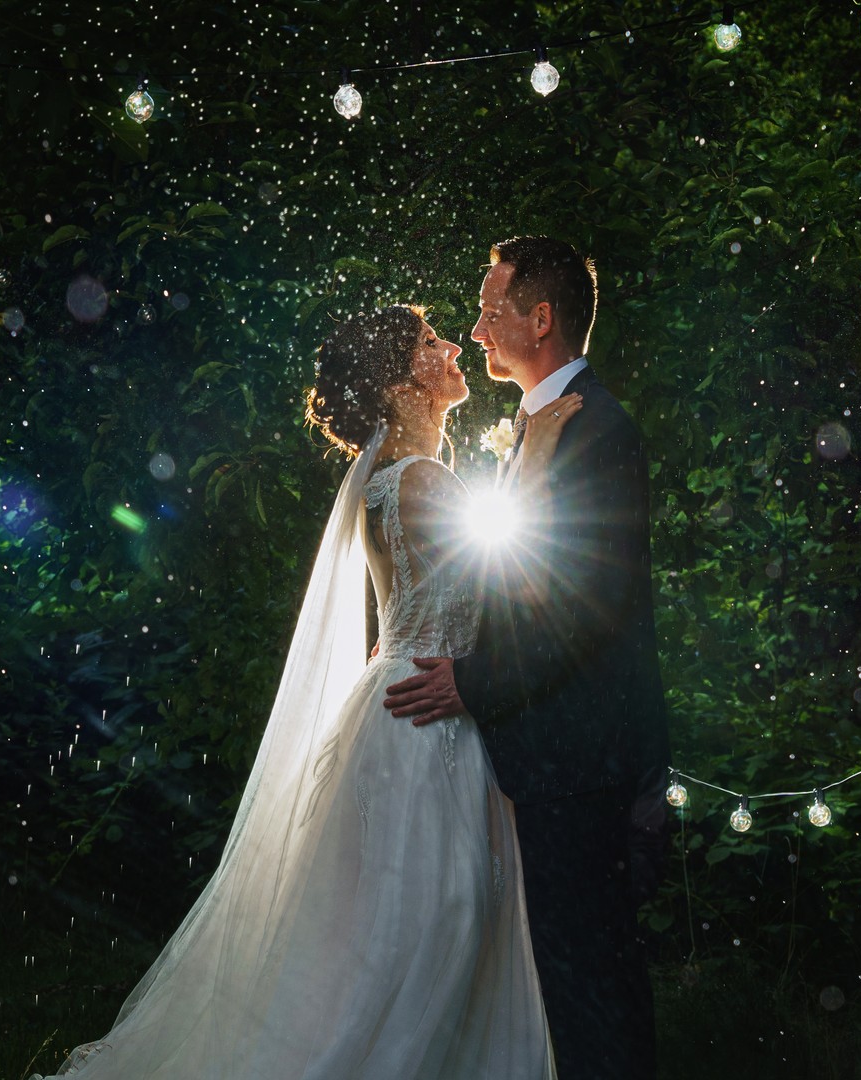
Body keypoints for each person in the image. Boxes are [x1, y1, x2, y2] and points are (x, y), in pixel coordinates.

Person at [33, 304, 577, 1079]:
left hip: (414, 704)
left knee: (402, 928)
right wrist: (541, 457)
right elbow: (518, 582)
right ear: (397, 384)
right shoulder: (418, 480)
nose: (453, 346)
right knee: (440, 924)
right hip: (431, 724)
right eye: (429, 343)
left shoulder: (393, 479)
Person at [382, 236, 671, 1079]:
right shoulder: (547, 425)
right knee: (576, 983)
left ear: (540, 320)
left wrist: (470, 680)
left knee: (594, 986)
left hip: (582, 759)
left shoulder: (595, 430)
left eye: (489, 309)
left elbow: (581, 605)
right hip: (556, 756)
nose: (475, 329)